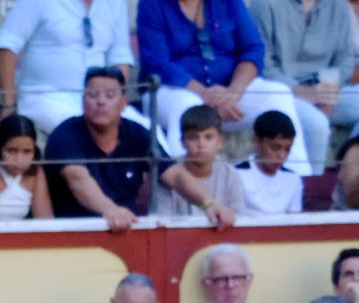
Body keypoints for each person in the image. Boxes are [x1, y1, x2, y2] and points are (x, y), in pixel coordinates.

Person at [140, 0, 309, 174]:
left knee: (278, 94)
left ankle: (297, 177)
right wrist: (205, 94)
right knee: (187, 106)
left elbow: (253, 49)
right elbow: (157, 61)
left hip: (229, 90)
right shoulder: (152, 4)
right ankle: (182, 185)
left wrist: (233, 92)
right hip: (171, 91)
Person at [44, 67, 162, 231]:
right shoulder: (65, 134)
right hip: (74, 234)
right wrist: (111, 210)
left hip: (128, 229)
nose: (100, 101)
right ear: (83, 100)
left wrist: (207, 203)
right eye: (93, 95)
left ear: (123, 103)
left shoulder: (137, 132)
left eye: (109, 95)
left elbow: (174, 174)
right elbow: (77, 178)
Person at [0, 0, 137, 133]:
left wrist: (114, 100)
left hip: (98, 100)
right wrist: (9, 105)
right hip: (45, 98)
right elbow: (6, 46)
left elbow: (120, 57)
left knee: (149, 131)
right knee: (84, 132)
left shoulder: (115, 3)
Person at [249, 0, 358, 171]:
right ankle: (312, 187)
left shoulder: (338, 6)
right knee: (317, 124)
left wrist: (327, 87)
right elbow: (263, 64)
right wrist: (300, 91)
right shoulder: (264, 5)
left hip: (327, 88)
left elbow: (346, 59)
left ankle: (351, 174)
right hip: (283, 92)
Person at [154, 104, 246, 220]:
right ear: (183, 142)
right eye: (193, 138)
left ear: (220, 141)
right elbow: (163, 221)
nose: (201, 144)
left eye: (208, 137)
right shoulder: (168, 173)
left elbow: (238, 220)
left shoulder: (230, 175)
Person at [0, 112, 52, 220]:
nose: (19, 160)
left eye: (27, 152)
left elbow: (46, 223)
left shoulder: (36, 173)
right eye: (12, 151)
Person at [234, 109, 305, 213]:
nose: (281, 156)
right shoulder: (237, 174)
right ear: (257, 141)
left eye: (287, 149)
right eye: (275, 148)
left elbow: (294, 222)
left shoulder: (293, 179)